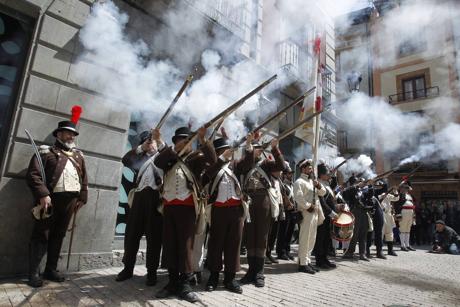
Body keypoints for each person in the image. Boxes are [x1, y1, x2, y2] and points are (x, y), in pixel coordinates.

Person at [26, 115, 88, 287]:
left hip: (71, 201)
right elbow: (33, 175)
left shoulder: (78, 155)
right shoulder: (46, 152)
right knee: (41, 235)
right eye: (68, 133)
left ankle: (50, 270)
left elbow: (84, 179)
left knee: (58, 235)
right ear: (58, 134)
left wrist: (82, 198)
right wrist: (43, 194)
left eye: (73, 134)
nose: (71, 137)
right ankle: (33, 273)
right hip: (50, 200)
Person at [154, 126, 213, 303]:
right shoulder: (169, 157)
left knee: (186, 245)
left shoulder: (197, 157)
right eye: (180, 140)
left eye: (187, 140)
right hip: (169, 206)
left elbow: (213, 159)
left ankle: (185, 284)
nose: (183, 143)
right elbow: (158, 162)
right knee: (170, 244)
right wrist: (173, 149)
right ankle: (172, 282)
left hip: (188, 207)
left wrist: (203, 140)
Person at [203, 135, 254, 294]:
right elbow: (206, 176)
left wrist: (249, 146)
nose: (229, 153)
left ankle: (230, 278)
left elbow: (247, 164)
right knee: (216, 244)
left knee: (234, 245)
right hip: (218, 210)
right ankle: (213, 276)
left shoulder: (235, 165)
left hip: (236, 210)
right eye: (225, 151)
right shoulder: (212, 166)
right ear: (218, 152)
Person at [116, 130, 163, 286]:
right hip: (139, 198)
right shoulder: (139, 157)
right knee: (131, 235)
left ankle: (151, 272)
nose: (150, 144)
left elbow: (171, 157)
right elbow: (125, 160)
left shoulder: (163, 157)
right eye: (147, 142)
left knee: (154, 238)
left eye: (152, 142)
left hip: (156, 198)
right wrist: (141, 148)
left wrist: (159, 141)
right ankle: (128, 268)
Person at [239, 138, 285, 287]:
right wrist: (249, 150)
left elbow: (281, 165)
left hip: (263, 200)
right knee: (250, 237)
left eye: (259, 148)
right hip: (249, 201)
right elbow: (242, 166)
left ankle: (259, 272)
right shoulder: (246, 164)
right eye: (255, 148)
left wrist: (275, 149)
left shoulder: (265, 164)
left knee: (261, 237)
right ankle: (251, 271)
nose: (257, 150)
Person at [293, 159, 326, 274]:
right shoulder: (299, 182)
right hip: (306, 213)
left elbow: (323, 193)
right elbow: (299, 198)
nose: (311, 170)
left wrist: (318, 185)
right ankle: (302, 264)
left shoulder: (312, 182)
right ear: (303, 169)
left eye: (311, 168)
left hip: (315, 213)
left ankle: (307, 261)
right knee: (305, 239)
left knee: (312, 239)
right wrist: (308, 206)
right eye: (309, 168)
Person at [314, 162, 339, 269]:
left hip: (328, 217)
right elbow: (322, 202)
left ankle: (324, 258)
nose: (329, 175)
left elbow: (334, 184)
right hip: (323, 215)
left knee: (326, 239)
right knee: (321, 239)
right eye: (327, 173)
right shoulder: (319, 185)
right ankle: (319, 260)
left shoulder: (326, 184)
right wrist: (332, 213)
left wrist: (333, 174)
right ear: (321, 174)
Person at [342, 176, 371, 261]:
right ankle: (350, 252)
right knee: (354, 233)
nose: (361, 183)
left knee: (363, 233)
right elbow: (345, 193)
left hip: (364, 212)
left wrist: (370, 185)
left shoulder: (363, 191)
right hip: (355, 211)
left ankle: (362, 253)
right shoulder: (351, 189)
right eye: (358, 182)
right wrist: (356, 186)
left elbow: (371, 196)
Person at [276, 161, 296, 261]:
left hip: (292, 212)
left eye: (291, 173)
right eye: (289, 173)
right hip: (285, 211)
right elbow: (280, 198)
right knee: (283, 233)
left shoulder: (292, 185)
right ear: (284, 174)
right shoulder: (282, 185)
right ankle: (281, 252)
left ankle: (287, 250)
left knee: (290, 232)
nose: (291, 175)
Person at [365, 185, 386, 259]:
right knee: (368, 233)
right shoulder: (364, 195)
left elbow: (385, 187)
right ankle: (366, 250)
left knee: (379, 233)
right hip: (368, 214)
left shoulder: (376, 197)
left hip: (377, 214)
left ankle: (379, 251)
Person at [378, 184, 399, 256]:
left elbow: (396, 198)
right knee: (381, 233)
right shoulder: (378, 194)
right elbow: (378, 199)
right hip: (381, 214)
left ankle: (390, 250)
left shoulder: (388, 195)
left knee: (390, 233)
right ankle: (379, 251)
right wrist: (382, 195)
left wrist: (395, 191)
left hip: (389, 215)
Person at [394, 183, 416, 251]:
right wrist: (398, 215)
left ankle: (407, 245)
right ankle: (402, 245)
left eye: (407, 188)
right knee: (402, 229)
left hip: (410, 212)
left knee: (408, 229)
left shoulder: (409, 196)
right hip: (404, 212)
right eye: (405, 188)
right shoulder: (399, 196)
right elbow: (396, 205)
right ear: (401, 189)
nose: (406, 189)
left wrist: (414, 215)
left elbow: (413, 205)